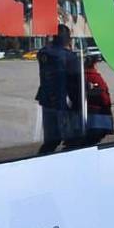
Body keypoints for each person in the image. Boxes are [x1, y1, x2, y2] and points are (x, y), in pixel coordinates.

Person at [35, 24, 81, 154]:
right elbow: (76, 82)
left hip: (47, 101)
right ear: (68, 39)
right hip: (63, 103)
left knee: (51, 141)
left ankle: (42, 159)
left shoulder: (43, 53)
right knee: (72, 140)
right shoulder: (69, 57)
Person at [83, 56, 114, 145]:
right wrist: (107, 107)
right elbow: (103, 97)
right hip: (97, 113)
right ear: (94, 64)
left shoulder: (81, 75)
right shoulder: (95, 77)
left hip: (85, 111)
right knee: (94, 139)